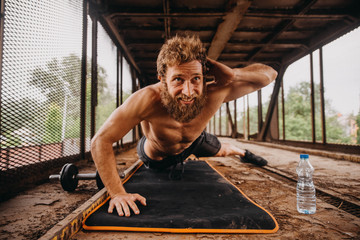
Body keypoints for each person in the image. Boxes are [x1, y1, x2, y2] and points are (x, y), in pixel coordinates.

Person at [91, 33, 277, 218]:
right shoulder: (146, 99)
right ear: (162, 80)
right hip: (157, 155)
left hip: (195, 140)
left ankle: (243, 153)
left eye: (196, 79)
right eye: (178, 79)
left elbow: (270, 74)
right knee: (162, 160)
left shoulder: (216, 91)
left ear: (204, 76)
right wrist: (117, 193)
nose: (188, 92)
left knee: (224, 151)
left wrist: (234, 74)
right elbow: (101, 140)